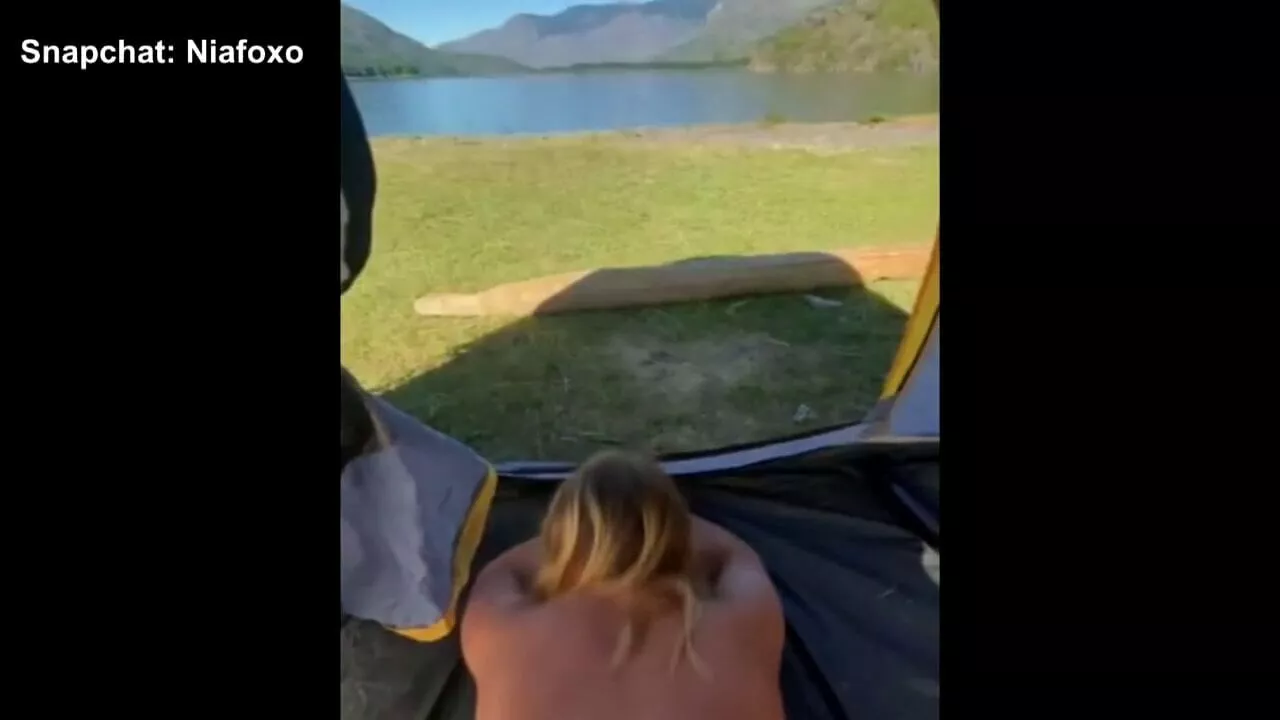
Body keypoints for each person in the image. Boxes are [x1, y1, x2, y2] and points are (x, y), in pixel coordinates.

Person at [461, 450, 786, 720]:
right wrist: (653, 519)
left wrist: (590, 532)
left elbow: (510, 564)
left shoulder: (500, 626)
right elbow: (730, 550)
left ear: (562, 537)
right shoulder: (741, 616)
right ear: (677, 535)